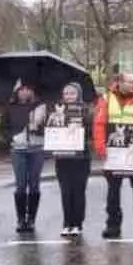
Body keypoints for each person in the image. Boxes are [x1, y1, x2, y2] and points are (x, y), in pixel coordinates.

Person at [93, 73, 133, 239]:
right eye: (129, 81)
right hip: (114, 152)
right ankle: (113, 225)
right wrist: (100, 147)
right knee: (113, 192)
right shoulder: (106, 98)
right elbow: (99, 123)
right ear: (119, 83)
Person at [1, 80, 47, 233]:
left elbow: (50, 129)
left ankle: (31, 219)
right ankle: (21, 220)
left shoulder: (40, 106)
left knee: (34, 185)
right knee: (20, 185)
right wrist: (12, 138)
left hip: (36, 149)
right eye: (21, 89)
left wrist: (37, 125)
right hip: (18, 150)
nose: (24, 92)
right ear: (16, 91)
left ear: (32, 91)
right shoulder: (10, 107)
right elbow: (3, 129)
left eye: (28, 89)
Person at [50, 82, 91, 237]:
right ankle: (67, 223)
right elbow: (50, 130)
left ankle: (78, 224)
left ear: (78, 94)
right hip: (63, 157)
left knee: (78, 191)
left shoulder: (86, 110)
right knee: (65, 191)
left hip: (81, 157)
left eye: (72, 93)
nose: (68, 96)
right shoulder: (56, 111)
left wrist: (80, 124)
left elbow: (92, 129)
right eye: (66, 93)